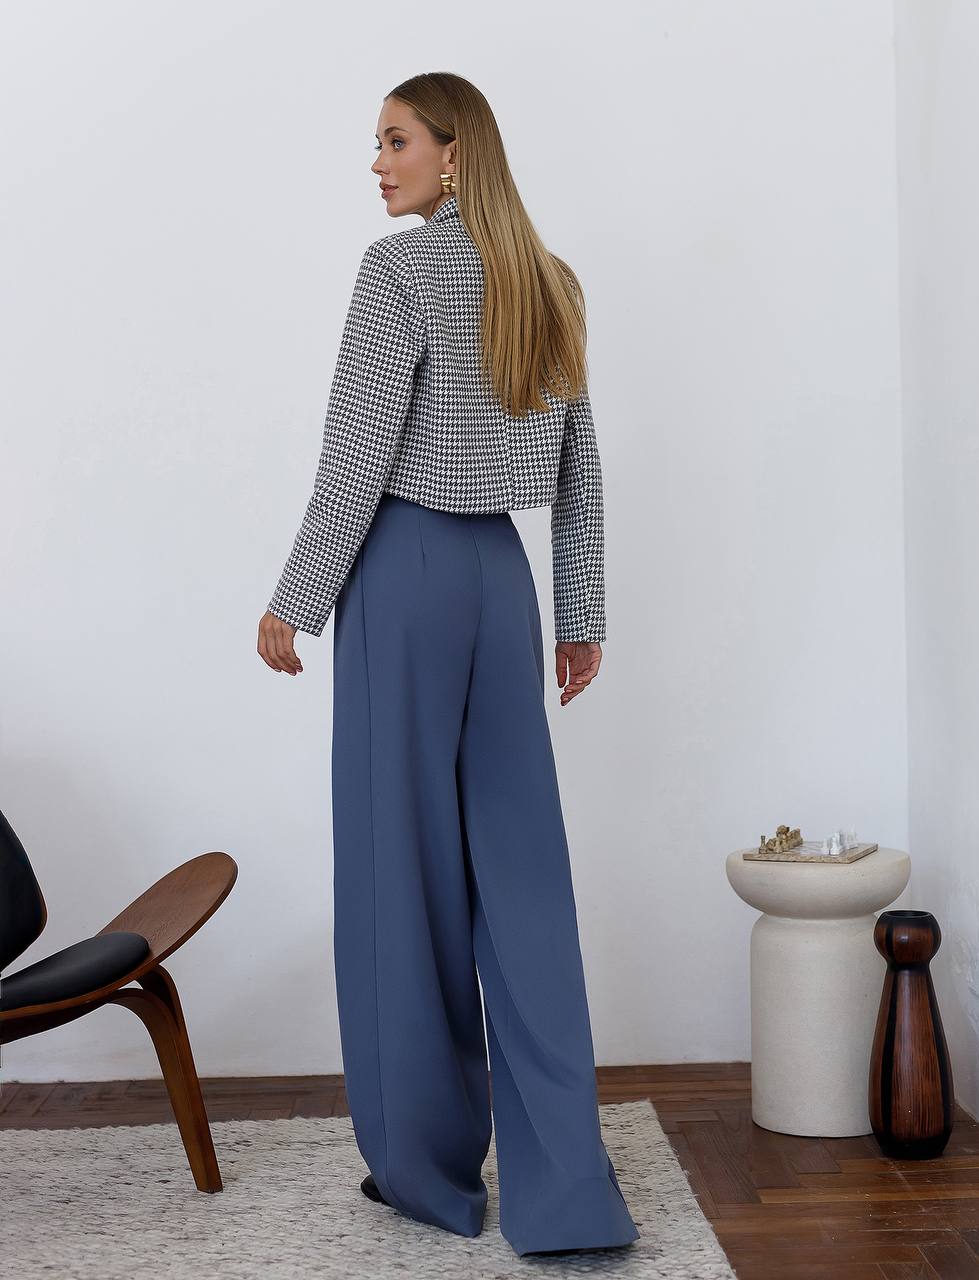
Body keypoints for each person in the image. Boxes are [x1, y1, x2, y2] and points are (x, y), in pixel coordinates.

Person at [256, 71, 638, 1259]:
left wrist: (294, 599)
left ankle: (427, 1173)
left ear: (456, 152)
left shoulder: (399, 273)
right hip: (504, 587)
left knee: (398, 879)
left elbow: (355, 461)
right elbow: (580, 470)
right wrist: (580, 619)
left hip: (407, 578)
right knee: (523, 885)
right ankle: (566, 1191)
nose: (378, 163)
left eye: (396, 140)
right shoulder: (549, 278)